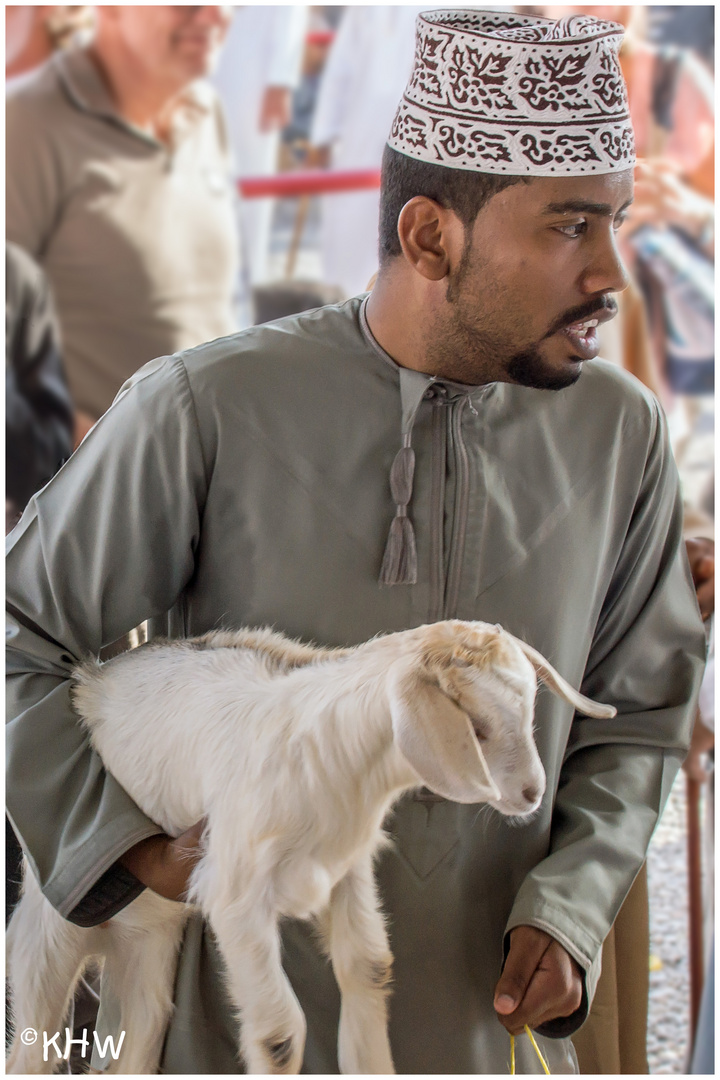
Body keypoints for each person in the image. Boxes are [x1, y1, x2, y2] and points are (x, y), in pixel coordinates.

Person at [6, 10, 706, 1074]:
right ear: (431, 236)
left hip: (486, 1037)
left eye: (616, 221)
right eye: (570, 227)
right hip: (229, 1033)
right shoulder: (205, 406)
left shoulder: (621, 432)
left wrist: (567, 908)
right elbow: (22, 633)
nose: (613, 269)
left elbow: (638, 715)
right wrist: (132, 852)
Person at [6, 5, 238, 444]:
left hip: (214, 471)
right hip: (94, 489)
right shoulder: (27, 123)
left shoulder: (205, 111)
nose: (216, 14)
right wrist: (98, 457)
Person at [307, 6, 423, 298]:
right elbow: (340, 69)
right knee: (350, 246)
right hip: (359, 140)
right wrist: (323, 135)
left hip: (427, 143)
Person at [212, 5, 309, 286]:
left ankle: (243, 285)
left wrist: (280, 81)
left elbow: (292, 12)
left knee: (248, 184)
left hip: (251, 70)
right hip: (197, 56)